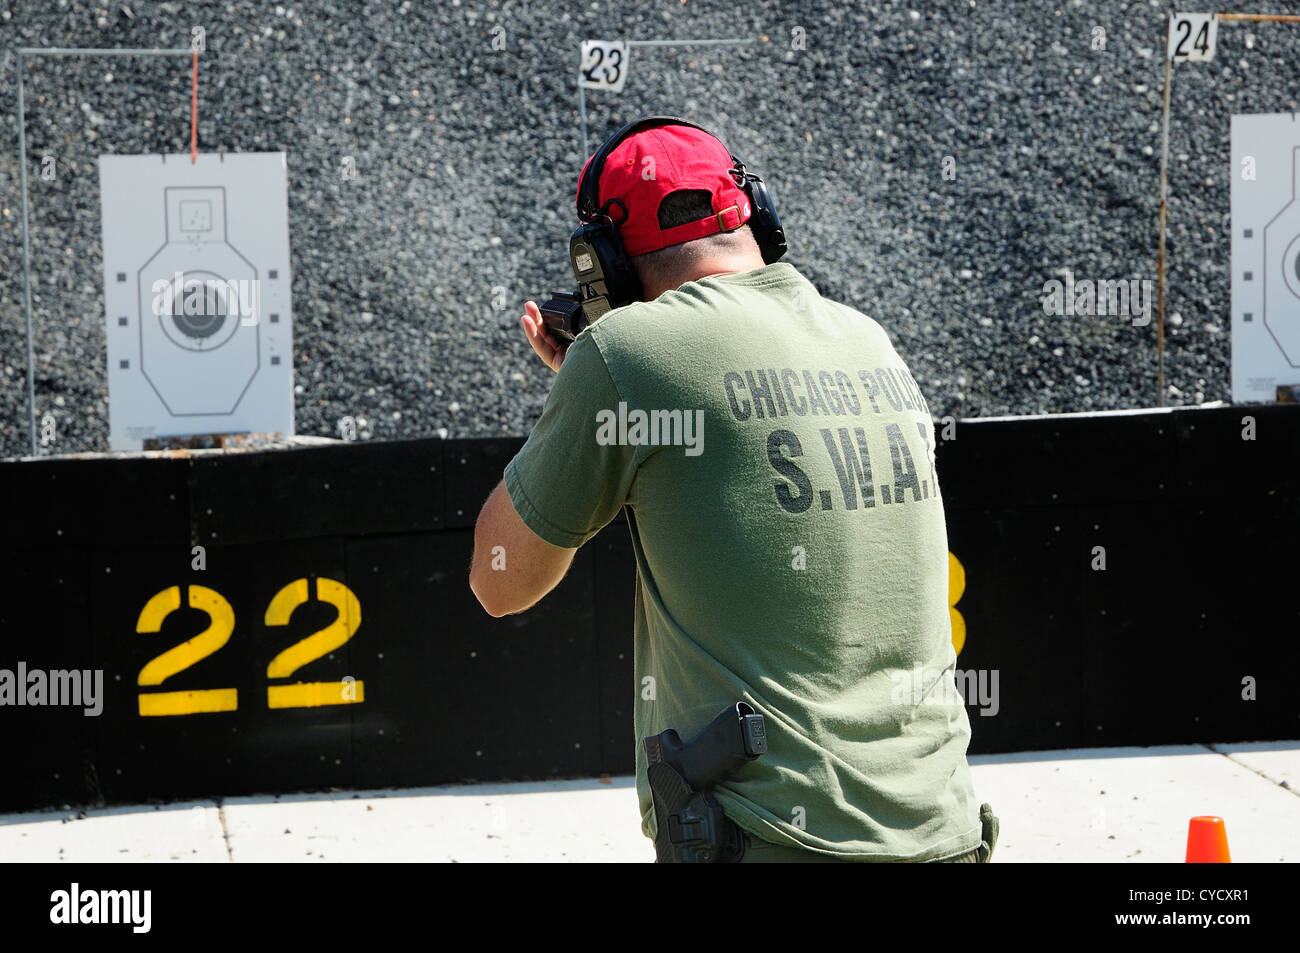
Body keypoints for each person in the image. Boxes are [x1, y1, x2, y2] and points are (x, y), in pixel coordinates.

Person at [469, 118, 996, 863]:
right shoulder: (868, 341)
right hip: (947, 833)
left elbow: (501, 579)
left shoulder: (622, 355)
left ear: (602, 264)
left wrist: (586, 398)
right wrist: (613, 418)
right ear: (758, 216)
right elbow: (721, 448)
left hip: (777, 840)